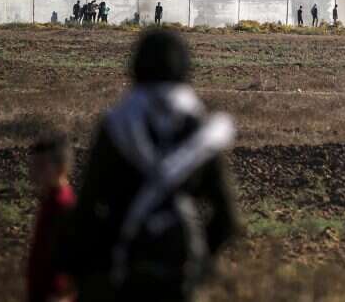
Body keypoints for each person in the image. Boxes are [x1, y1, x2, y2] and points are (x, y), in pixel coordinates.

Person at [65, 30, 238, 301]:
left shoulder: (116, 126)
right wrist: (199, 260)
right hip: (179, 273)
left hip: (125, 269)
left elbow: (88, 207)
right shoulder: (202, 132)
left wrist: (88, 269)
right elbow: (227, 218)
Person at [28, 133, 76, 302]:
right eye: (34, 165)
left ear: (61, 167)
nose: (34, 172)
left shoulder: (64, 205)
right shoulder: (49, 200)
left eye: (41, 166)